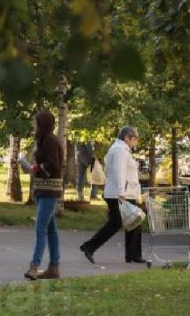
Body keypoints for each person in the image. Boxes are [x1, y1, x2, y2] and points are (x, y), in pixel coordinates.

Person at [80, 126, 147, 266]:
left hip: (125, 192)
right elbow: (119, 172)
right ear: (127, 138)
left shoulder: (123, 150)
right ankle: (89, 247)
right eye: (134, 139)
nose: (135, 142)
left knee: (135, 221)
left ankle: (133, 255)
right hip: (120, 194)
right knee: (116, 223)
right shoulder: (120, 150)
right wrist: (121, 191)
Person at [25, 110, 64, 280]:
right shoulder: (44, 140)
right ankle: (54, 267)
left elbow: (54, 164)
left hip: (49, 190)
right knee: (51, 230)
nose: (34, 126)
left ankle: (34, 266)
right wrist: (33, 168)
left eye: (36, 123)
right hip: (43, 189)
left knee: (40, 227)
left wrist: (36, 168)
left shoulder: (50, 140)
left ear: (42, 124)